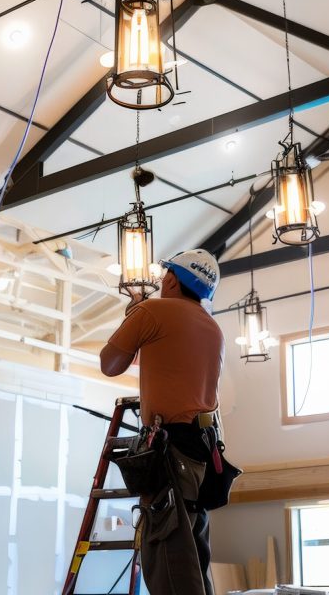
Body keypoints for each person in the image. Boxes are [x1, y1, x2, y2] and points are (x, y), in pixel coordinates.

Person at [100, 249, 225, 595]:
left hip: (170, 456)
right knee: (193, 561)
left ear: (170, 279)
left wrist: (139, 309)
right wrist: (140, 308)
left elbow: (109, 364)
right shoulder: (213, 329)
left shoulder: (152, 312)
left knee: (169, 563)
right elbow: (170, 342)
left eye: (164, 275)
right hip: (202, 457)